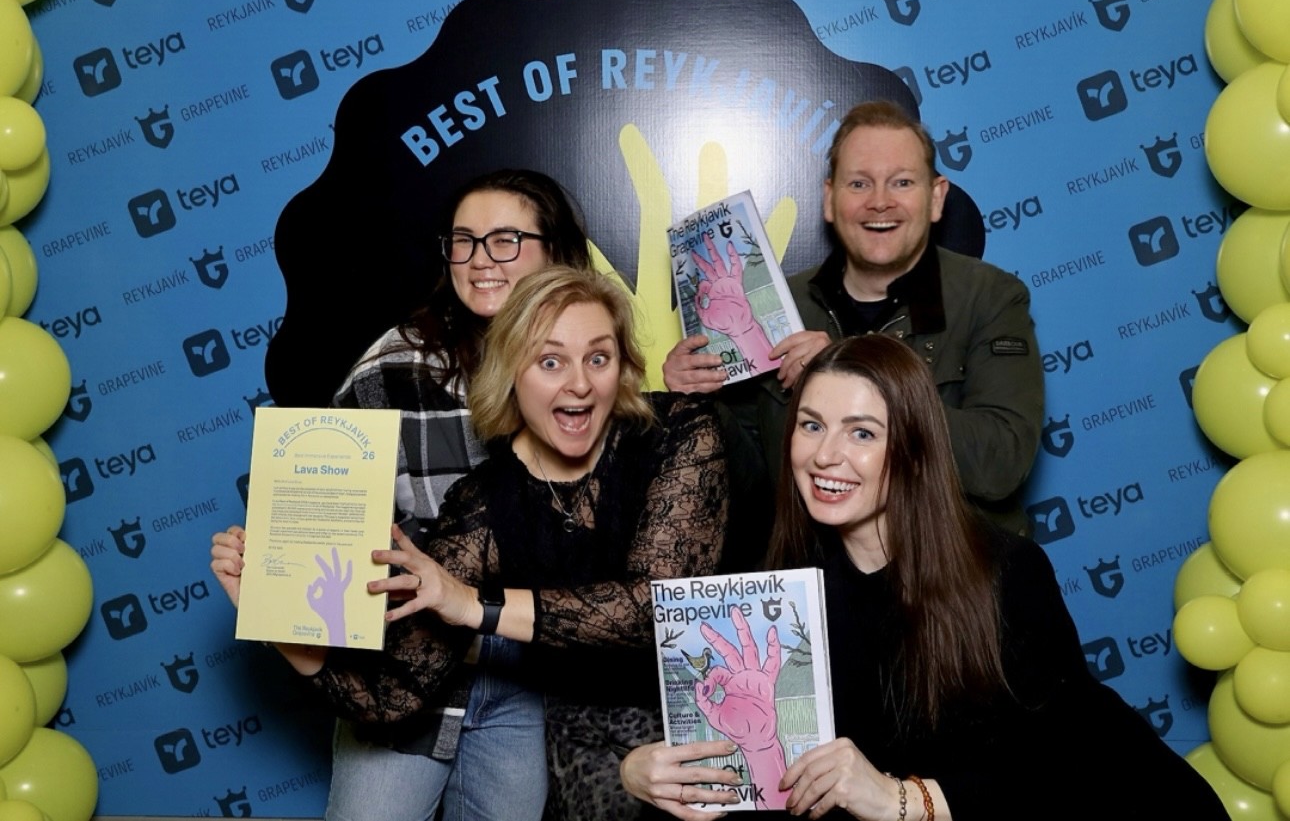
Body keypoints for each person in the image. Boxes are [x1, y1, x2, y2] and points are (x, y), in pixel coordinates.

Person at [620, 334, 1228, 821]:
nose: (825, 455)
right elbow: (771, 781)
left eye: (862, 432)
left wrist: (900, 799)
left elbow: (1063, 766)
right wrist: (649, 773)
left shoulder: (1005, 573)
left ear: (912, 449)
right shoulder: (772, 593)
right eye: (811, 425)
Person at [213, 267, 729, 821]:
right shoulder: (482, 502)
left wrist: (475, 606)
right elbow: (393, 697)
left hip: (701, 711)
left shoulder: (677, 431)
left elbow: (658, 607)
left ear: (622, 365)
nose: (580, 384)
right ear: (510, 371)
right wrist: (279, 623)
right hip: (580, 746)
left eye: (598, 358)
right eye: (550, 361)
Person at [213, 168, 594, 821]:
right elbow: (323, 498)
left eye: (505, 239)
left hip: (529, 677)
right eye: (464, 241)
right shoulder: (397, 366)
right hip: (409, 665)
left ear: (555, 250)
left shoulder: (591, 371)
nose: (480, 259)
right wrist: (277, 576)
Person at [662, 99, 1043, 537]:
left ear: (936, 198)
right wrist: (695, 403)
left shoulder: (990, 297)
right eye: (859, 184)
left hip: (950, 564)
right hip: (818, 565)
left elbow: (1001, 464)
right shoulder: (778, 307)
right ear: (830, 199)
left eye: (902, 182)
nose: (880, 202)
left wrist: (854, 374)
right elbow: (751, 488)